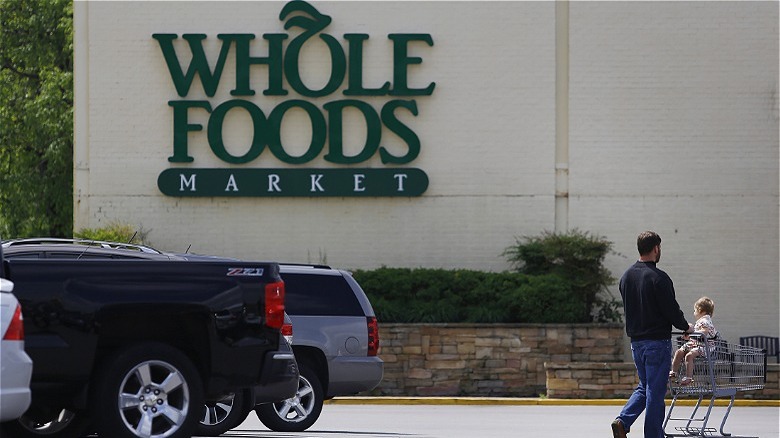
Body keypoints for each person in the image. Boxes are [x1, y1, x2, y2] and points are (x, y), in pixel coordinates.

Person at [612, 231, 693, 438]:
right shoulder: (659, 278)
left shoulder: (626, 277)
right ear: (656, 248)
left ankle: (622, 421)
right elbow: (671, 310)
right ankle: (653, 435)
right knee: (655, 393)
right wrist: (686, 327)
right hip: (657, 342)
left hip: (636, 343)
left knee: (646, 386)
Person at [670, 296, 718, 385]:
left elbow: (704, 332)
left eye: (695, 310)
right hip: (695, 344)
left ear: (701, 311)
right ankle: (674, 371)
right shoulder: (701, 321)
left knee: (689, 356)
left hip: (705, 346)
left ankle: (688, 377)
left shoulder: (705, 320)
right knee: (679, 352)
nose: (694, 313)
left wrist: (692, 334)